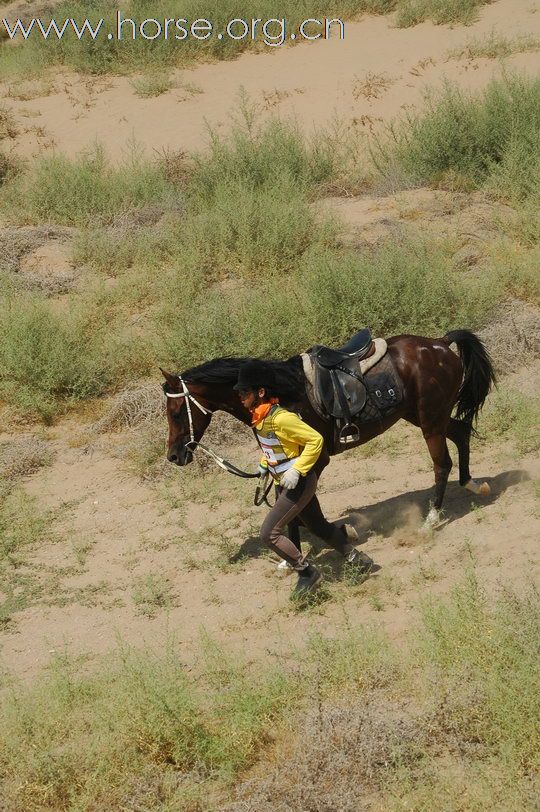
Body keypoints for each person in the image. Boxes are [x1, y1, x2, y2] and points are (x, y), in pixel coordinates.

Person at [234, 359, 370, 595]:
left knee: (269, 533)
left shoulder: (281, 418)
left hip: (300, 483)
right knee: (318, 526)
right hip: (285, 482)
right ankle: (358, 559)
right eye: (239, 392)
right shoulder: (261, 418)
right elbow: (277, 447)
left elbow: (315, 440)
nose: (240, 397)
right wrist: (266, 464)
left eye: (244, 392)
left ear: (261, 392)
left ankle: (306, 572)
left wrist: (297, 470)